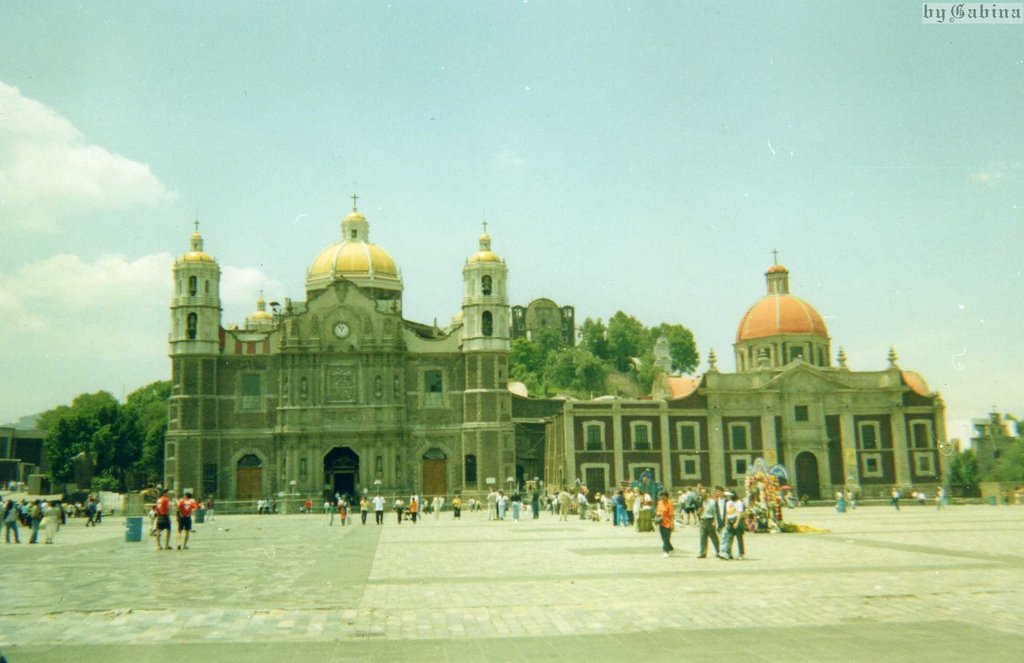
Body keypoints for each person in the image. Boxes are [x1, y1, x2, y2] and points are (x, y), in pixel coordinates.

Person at [719, 491, 745, 560]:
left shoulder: (739, 503)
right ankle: (728, 553)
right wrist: (726, 523)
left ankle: (741, 553)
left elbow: (740, 513)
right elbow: (727, 514)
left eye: (729, 495)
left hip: (736, 519)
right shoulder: (728, 503)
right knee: (729, 538)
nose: (728, 497)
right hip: (730, 520)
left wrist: (737, 522)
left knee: (739, 538)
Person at [697, 488, 722, 559]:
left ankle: (718, 551)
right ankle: (702, 553)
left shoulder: (712, 502)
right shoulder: (700, 502)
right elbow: (698, 514)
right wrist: (700, 510)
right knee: (702, 537)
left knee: (713, 537)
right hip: (702, 520)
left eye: (704, 493)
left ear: (707, 494)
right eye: (701, 493)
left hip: (710, 520)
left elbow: (716, 512)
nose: (703, 494)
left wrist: (715, 521)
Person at [655, 491, 675, 557]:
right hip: (661, 523)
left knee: (666, 538)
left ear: (667, 496)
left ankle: (665, 551)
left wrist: (672, 524)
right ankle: (671, 548)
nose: (663, 497)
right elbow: (657, 511)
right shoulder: (659, 503)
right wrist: (657, 514)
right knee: (664, 538)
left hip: (668, 523)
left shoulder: (669, 504)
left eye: (664, 496)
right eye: (661, 496)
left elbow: (672, 515)